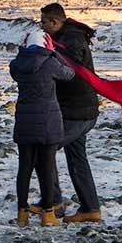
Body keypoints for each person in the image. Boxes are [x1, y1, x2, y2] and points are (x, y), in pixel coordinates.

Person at [41, 2, 102, 223]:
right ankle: (90, 208)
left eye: (44, 22)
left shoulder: (72, 40)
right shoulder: (69, 37)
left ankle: (53, 203)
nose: (43, 27)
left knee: (44, 151)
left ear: (55, 21)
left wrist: (49, 56)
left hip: (77, 111)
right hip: (81, 109)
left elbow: (70, 68)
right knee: (77, 159)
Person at [9, 28, 76, 226]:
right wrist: (54, 53)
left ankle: (22, 212)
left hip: (24, 120)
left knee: (25, 167)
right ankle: (48, 213)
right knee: (47, 168)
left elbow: (16, 70)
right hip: (48, 120)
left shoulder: (16, 65)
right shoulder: (50, 62)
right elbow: (69, 74)